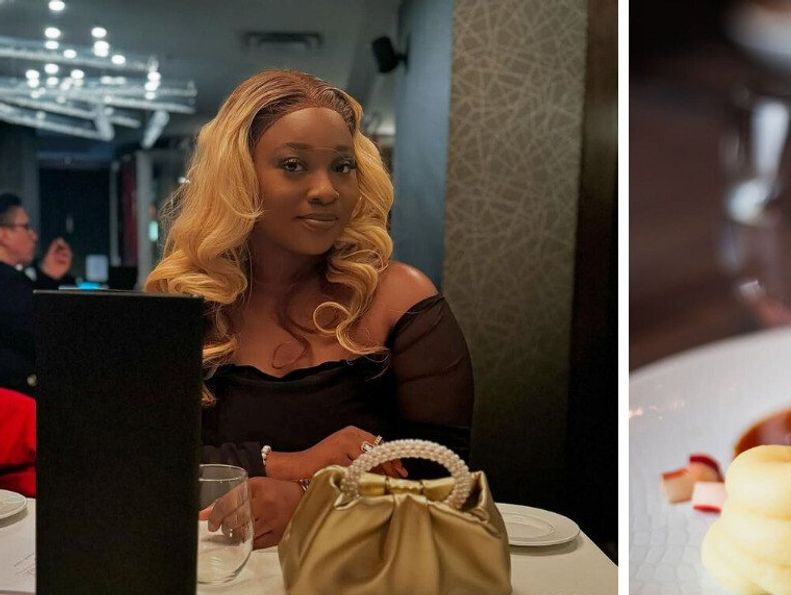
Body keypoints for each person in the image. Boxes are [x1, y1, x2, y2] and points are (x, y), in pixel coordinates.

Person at [146, 70, 474, 548]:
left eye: (342, 166)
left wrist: (310, 501)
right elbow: (141, 464)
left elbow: (447, 482)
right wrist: (287, 463)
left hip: (356, 573)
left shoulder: (399, 299)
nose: (326, 190)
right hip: (209, 573)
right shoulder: (183, 304)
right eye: (294, 165)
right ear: (238, 177)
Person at [0, 193, 75, 396]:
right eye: (25, 227)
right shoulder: (9, 284)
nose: (33, 236)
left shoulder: (13, 282)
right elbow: (47, 333)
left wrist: (48, 276)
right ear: (4, 234)